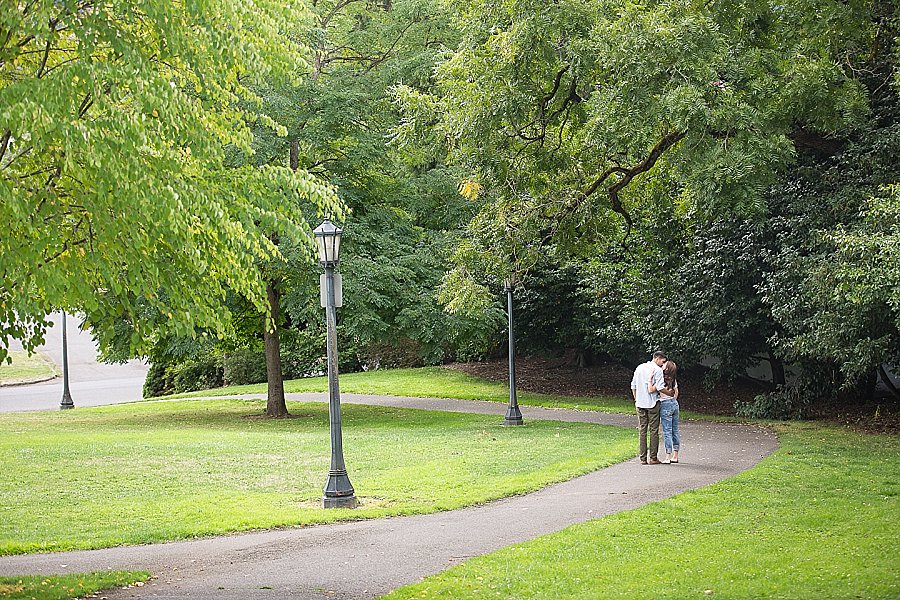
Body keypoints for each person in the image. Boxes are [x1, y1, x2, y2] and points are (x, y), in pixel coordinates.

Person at [630, 351, 666, 465]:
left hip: (640, 403)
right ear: (658, 358)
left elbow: (633, 385)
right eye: (663, 361)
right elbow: (660, 387)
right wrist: (669, 393)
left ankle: (642, 458)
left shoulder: (640, 368)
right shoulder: (658, 370)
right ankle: (653, 457)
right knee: (654, 430)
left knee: (642, 430)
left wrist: (636, 399)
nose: (663, 364)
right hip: (652, 402)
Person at [651, 360, 680, 464]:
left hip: (665, 404)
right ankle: (675, 455)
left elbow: (652, 389)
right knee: (675, 430)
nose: (662, 365)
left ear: (666, 369)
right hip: (674, 404)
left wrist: (650, 379)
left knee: (667, 431)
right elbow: (676, 392)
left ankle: (667, 456)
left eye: (664, 365)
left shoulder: (661, 379)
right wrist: (673, 400)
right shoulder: (673, 380)